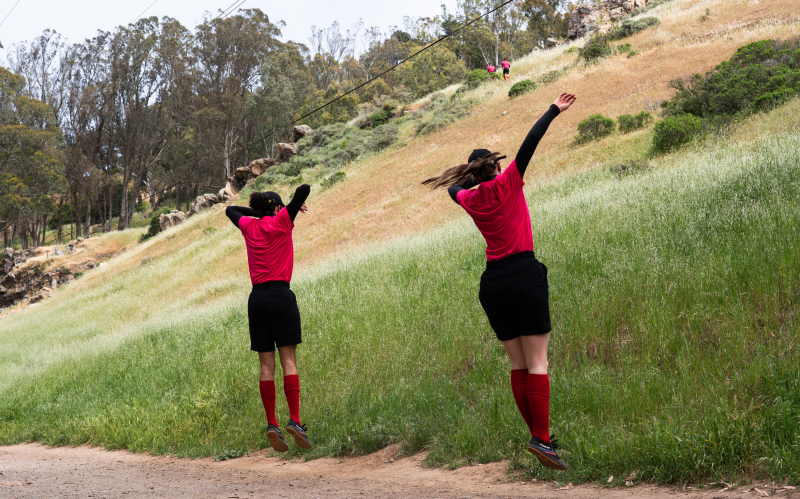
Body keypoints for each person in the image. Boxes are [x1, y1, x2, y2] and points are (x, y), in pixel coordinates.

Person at [421, 93, 577, 470]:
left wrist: (469, 174)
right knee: (538, 363)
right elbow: (530, 143)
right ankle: (542, 439)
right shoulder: (509, 183)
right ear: (494, 167)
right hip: (523, 273)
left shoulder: (469, 199)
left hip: (492, 284)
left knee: (518, 366)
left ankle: (541, 439)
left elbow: (452, 189)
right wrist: (553, 109)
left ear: (474, 174)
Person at [225, 184, 313, 453]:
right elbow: (305, 188)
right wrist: (289, 208)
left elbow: (230, 209)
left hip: (257, 300)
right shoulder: (283, 221)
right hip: (281, 296)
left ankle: (272, 424)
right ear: (276, 208)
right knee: (289, 360)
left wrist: (259, 211)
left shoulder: (249, 227)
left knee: (266, 366)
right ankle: (295, 421)